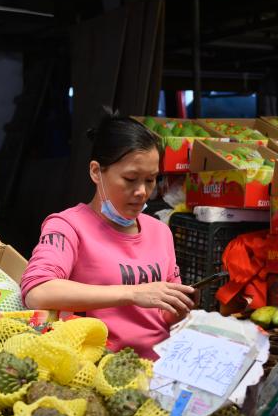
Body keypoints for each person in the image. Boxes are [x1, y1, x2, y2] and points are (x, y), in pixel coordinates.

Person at [21, 115, 196, 359]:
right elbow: (38, 292)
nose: (142, 192)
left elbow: (161, 317)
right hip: (97, 369)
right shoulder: (67, 226)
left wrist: (178, 307)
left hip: (159, 368)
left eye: (150, 180)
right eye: (130, 179)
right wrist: (133, 293)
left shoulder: (160, 231)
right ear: (96, 172)